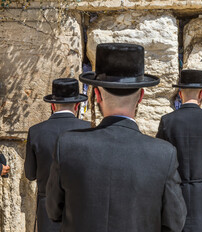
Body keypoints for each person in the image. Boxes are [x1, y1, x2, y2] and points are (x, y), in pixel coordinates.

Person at [46, 43, 187, 232]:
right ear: (141, 96)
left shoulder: (67, 145)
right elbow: (175, 222)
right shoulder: (164, 154)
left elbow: (53, 211)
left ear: (97, 95)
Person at [156, 69, 202, 232]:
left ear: (180, 93)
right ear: (201, 94)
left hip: (174, 195)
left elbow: (158, 161)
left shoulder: (167, 121)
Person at [25, 78, 89, 232]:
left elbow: (30, 174)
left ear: (52, 106)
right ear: (77, 105)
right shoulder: (90, 129)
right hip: (80, 207)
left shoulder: (35, 132)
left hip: (47, 207)